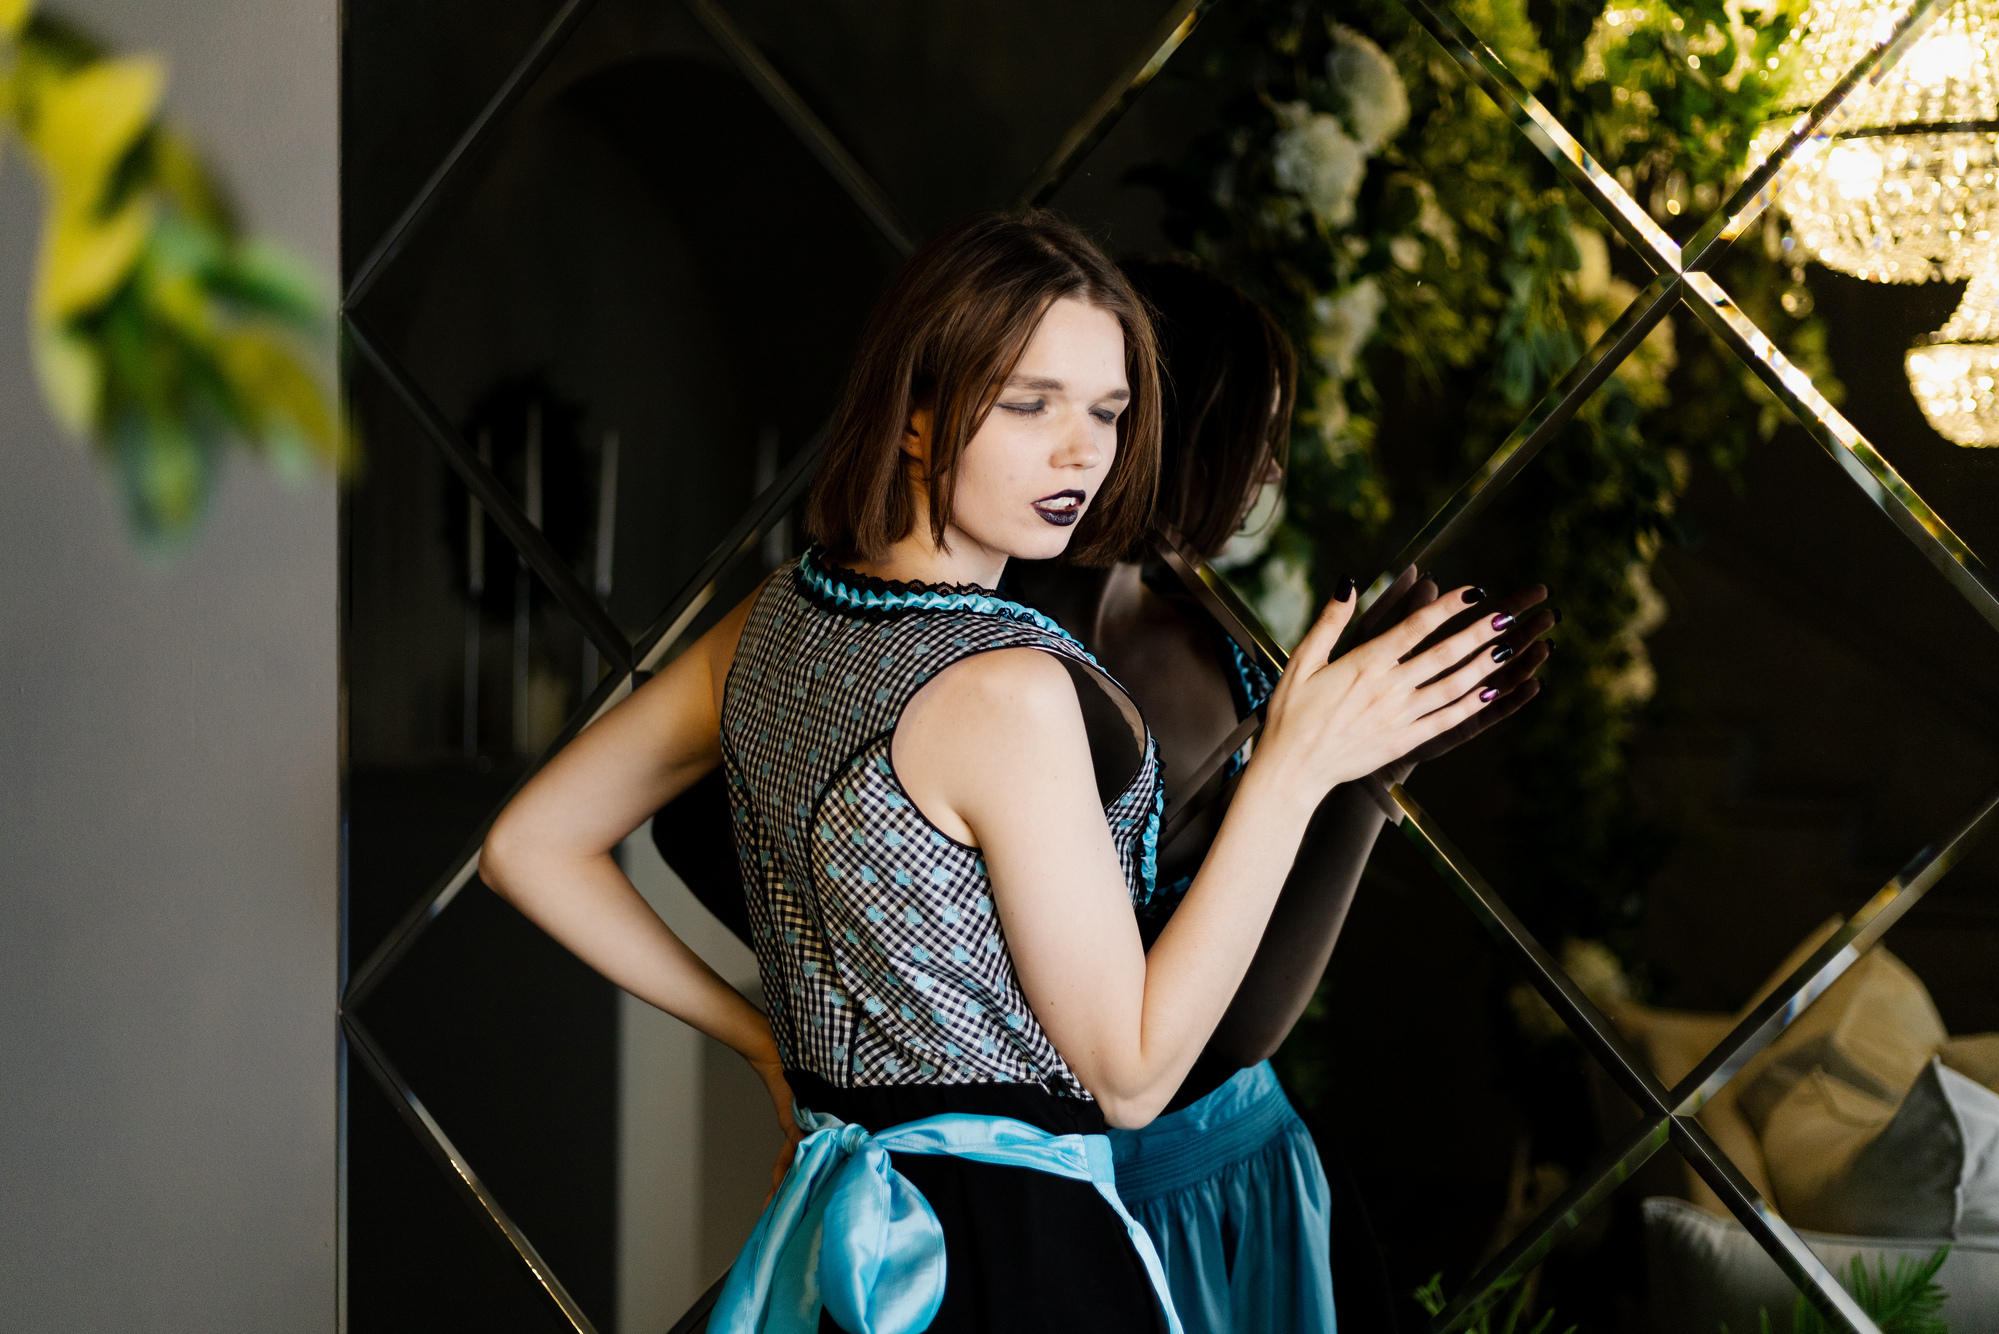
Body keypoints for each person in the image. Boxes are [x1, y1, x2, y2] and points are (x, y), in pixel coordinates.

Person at [481, 210, 1523, 1333]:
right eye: (1030, 403)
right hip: (1012, 1261)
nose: (1081, 452)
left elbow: (527, 845)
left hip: (835, 1250)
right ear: (914, 415)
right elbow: (1132, 1076)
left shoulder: (772, 618)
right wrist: (1295, 768)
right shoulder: (1008, 691)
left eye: (1107, 411)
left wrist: (758, 1042)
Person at [1004, 259, 1554, 1333]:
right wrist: (1354, 778)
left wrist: (1367, 758)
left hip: (1245, 1164)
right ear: (1168, 428)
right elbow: (1228, 1032)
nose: (1268, 468)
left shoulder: (1198, 619)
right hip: (1134, 1207)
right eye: (1250, 432)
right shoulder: (1008, 669)